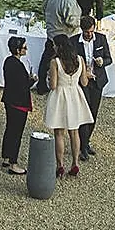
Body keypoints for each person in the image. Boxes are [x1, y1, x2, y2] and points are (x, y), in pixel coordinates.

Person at [42, 34, 94, 177]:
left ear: (59, 46)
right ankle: (75, 163)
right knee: (74, 131)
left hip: (60, 96)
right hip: (75, 95)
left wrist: (48, 77)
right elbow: (84, 82)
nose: (53, 47)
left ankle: (60, 165)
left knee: (59, 133)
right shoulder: (80, 60)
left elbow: (53, 86)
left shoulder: (55, 62)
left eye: (54, 45)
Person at [74, 15, 111, 161]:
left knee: (93, 112)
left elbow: (109, 58)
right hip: (82, 82)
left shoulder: (101, 39)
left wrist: (102, 62)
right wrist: (83, 72)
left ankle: (86, 141)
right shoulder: (74, 42)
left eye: (90, 31)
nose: (89, 34)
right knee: (84, 112)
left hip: (97, 81)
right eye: (86, 32)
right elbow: (71, 62)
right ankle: (82, 146)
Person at [0, 36, 34, 175]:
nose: (26, 50)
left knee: (9, 129)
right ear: (18, 50)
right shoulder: (19, 66)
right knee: (16, 133)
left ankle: (6, 156)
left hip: (9, 100)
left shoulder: (8, 61)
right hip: (19, 103)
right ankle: (13, 163)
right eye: (24, 48)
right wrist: (32, 80)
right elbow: (23, 86)